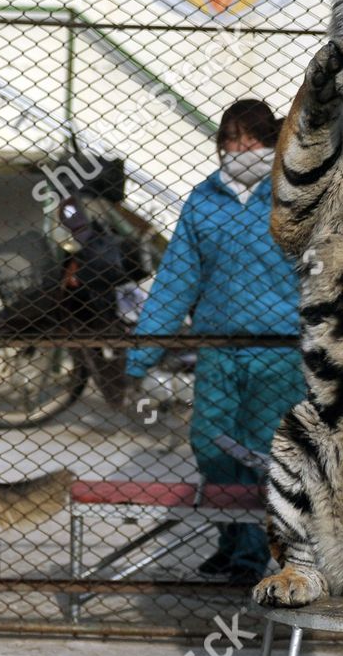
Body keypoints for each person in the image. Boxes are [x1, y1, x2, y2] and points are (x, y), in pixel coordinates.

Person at [124, 99, 303, 585]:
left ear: (273, 144)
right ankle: (232, 540)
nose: (241, 149)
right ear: (220, 144)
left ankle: (250, 556)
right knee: (212, 444)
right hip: (219, 351)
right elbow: (176, 283)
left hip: (281, 354)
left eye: (254, 140)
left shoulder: (293, 197)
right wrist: (142, 357)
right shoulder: (203, 201)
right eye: (232, 139)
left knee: (261, 451)